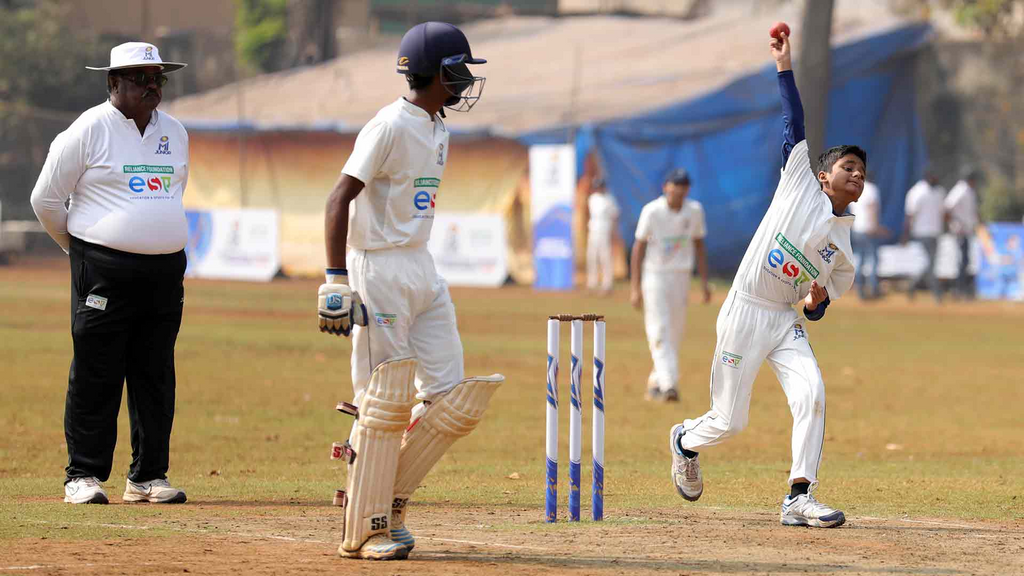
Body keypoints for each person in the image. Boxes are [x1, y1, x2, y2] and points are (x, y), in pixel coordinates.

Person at [317, 22, 503, 561]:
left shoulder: (437, 125)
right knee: (384, 402)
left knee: (452, 401)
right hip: (377, 268)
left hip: (421, 265)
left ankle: (387, 500)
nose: (468, 79)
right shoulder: (388, 126)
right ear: (438, 71)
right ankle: (366, 526)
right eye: (461, 69)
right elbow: (338, 199)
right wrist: (335, 278)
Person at [668, 31, 860, 528]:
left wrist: (816, 303)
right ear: (823, 176)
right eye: (848, 166)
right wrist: (784, 65)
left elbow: (819, 309)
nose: (857, 175)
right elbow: (793, 119)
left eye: (862, 171)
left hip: (782, 321)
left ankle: (799, 496)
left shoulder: (844, 252)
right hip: (745, 307)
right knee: (731, 420)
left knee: (812, 394)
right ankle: (685, 440)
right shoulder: (798, 180)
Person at [29, 42, 190, 505]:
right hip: (102, 269)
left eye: (157, 77)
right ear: (113, 83)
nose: (151, 86)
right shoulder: (87, 130)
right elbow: (45, 200)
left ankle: (147, 477)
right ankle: (82, 475)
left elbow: (172, 193)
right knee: (97, 370)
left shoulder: (176, 132)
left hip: (164, 272)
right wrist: (78, 251)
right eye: (140, 78)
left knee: (155, 371)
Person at [630, 169, 710, 402]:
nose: (679, 191)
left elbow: (699, 245)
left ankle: (656, 382)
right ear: (666, 187)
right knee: (659, 329)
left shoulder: (694, 211)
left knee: (674, 332)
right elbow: (638, 248)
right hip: (655, 275)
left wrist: (704, 283)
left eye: (684, 187)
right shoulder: (652, 211)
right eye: (675, 186)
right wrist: (635, 287)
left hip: (681, 276)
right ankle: (668, 385)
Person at [902, 171, 946, 302]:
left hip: (935, 232)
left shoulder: (940, 192)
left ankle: (912, 285)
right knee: (931, 264)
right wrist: (906, 233)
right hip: (921, 232)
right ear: (928, 177)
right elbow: (910, 215)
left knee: (930, 264)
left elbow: (943, 212)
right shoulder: (917, 192)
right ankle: (937, 294)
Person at [945, 167, 981, 300]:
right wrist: (954, 224)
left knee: (965, 260)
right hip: (960, 231)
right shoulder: (960, 190)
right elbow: (948, 207)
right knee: (962, 260)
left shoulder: (969, 191)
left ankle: (962, 289)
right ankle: (959, 289)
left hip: (967, 230)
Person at [848, 180, 886, 299]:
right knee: (873, 260)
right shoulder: (872, 189)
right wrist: (874, 226)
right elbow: (872, 208)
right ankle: (873, 289)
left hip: (856, 228)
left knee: (859, 259)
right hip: (868, 228)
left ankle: (860, 289)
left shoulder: (854, 188)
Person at [586, 177, 620, 295]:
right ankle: (592, 283)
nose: (598, 189)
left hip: (605, 230)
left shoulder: (609, 199)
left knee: (605, 257)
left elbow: (615, 216)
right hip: (593, 229)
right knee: (592, 256)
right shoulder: (592, 198)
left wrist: (614, 233)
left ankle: (607, 284)